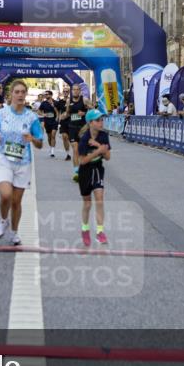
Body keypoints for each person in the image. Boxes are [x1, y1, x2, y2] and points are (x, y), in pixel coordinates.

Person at [0, 80, 44, 245]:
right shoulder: (1, 114)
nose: (20, 95)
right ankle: (3, 220)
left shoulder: (32, 117)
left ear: (25, 94)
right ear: (11, 94)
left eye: (23, 92)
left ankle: (14, 232)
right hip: (3, 159)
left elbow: (40, 144)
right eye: (17, 92)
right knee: (6, 195)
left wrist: (32, 138)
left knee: (16, 201)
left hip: (23, 162)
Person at [77, 109, 111, 246]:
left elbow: (108, 157)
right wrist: (98, 151)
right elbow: (82, 161)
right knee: (87, 204)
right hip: (85, 172)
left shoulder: (103, 136)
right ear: (90, 123)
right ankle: (85, 229)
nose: (101, 122)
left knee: (100, 200)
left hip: (97, 169)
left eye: (102, 119)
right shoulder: (84, 139)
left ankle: (100, 232)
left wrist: (98, 145)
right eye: (98, 120)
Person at [64, 86, 90, 180]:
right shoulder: (68, 101)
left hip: (83, 129)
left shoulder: (85, 100)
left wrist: (85, 113)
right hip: (72, 128)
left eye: (77, 89)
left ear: (80, 91)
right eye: (74, 89)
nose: (75, 91)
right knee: (75, 150)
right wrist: (64, 116)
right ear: (72, 91)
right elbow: (67, 112)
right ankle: (76, 173)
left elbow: (93, 110)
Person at [38, 90, 59, 157]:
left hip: (54, 121)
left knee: (53, 135)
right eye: (45, 94)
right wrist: (43, 114)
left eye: (47, 94)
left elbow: (59, 111)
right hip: (47, 121)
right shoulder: (43, 103)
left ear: (51, 95)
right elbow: (39, 111)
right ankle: (51, 147)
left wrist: (57, 118)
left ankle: (52, 151)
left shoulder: (56, 102)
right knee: (49, 137)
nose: (46, 95)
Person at [55, 87, 71, 159]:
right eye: (64, 91)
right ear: (62, 92)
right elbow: (57, 109)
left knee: (72, 138)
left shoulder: (71, 100)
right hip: (63, 121)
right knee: (64, 137)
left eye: (67, 91)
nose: (65, 93)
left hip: (71, 121)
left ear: (69, 92)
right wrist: (58, 116)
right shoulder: (60, 102)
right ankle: (68, 154)